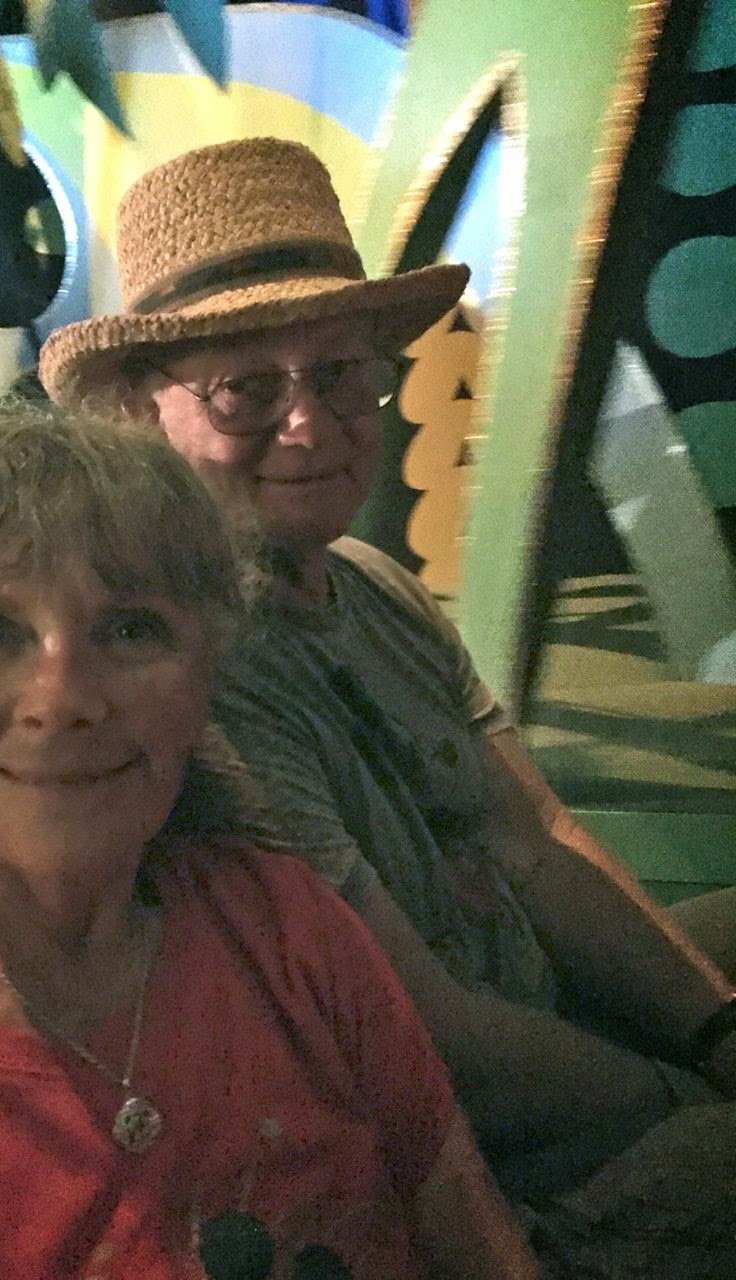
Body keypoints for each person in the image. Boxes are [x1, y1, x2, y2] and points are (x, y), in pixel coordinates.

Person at [38, 138, 736, 1208]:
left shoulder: (373, 583)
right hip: (470, 1167)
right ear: (138, 410)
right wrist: (687, 1098)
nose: (310, 425)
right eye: (244, 389)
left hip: (546, 1018)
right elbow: (430, 1040)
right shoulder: (187, 675)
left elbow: (535, 838)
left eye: (338, 374)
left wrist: (714, 1028)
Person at [0, 400, 538, 1280]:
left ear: (206, 677)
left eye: (132, 628)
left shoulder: (292, 932)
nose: (62, 698)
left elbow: (476, 1243)